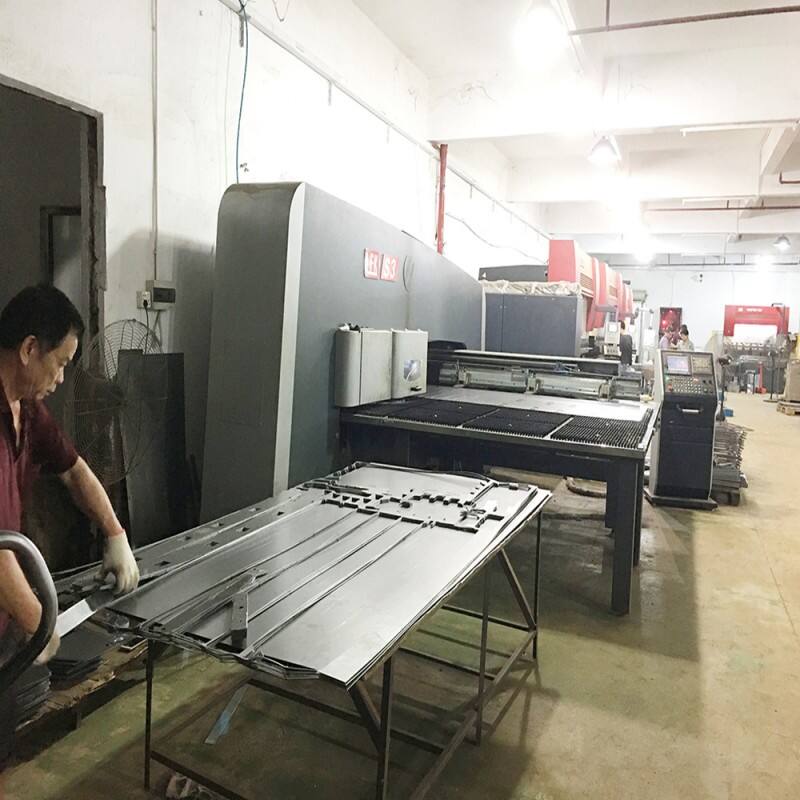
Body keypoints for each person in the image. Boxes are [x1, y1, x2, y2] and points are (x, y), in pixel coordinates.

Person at [0, 286, 139, 787]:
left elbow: (74, 469)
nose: (61, 379)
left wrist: (115, 533)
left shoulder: (26, 408)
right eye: (59, 364)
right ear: (29, 349)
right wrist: (39, 622)